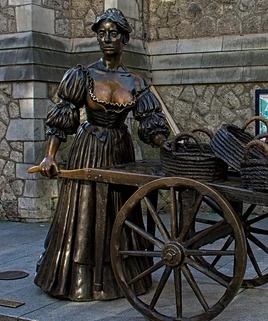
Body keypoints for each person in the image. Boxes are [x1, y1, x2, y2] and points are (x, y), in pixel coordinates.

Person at [33, 8, 170, 301]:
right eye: (102, 33)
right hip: (88, 150)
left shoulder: (136, 82)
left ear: (125, 39)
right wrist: (50, 155)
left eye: (114, 33)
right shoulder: (81, 75)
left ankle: (120, 276)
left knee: (120, 210)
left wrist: (163, 142)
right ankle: (78, 279)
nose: (107, 39)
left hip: (120, 151)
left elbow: (150, 122)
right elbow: (63, 116)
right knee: (83, 211)